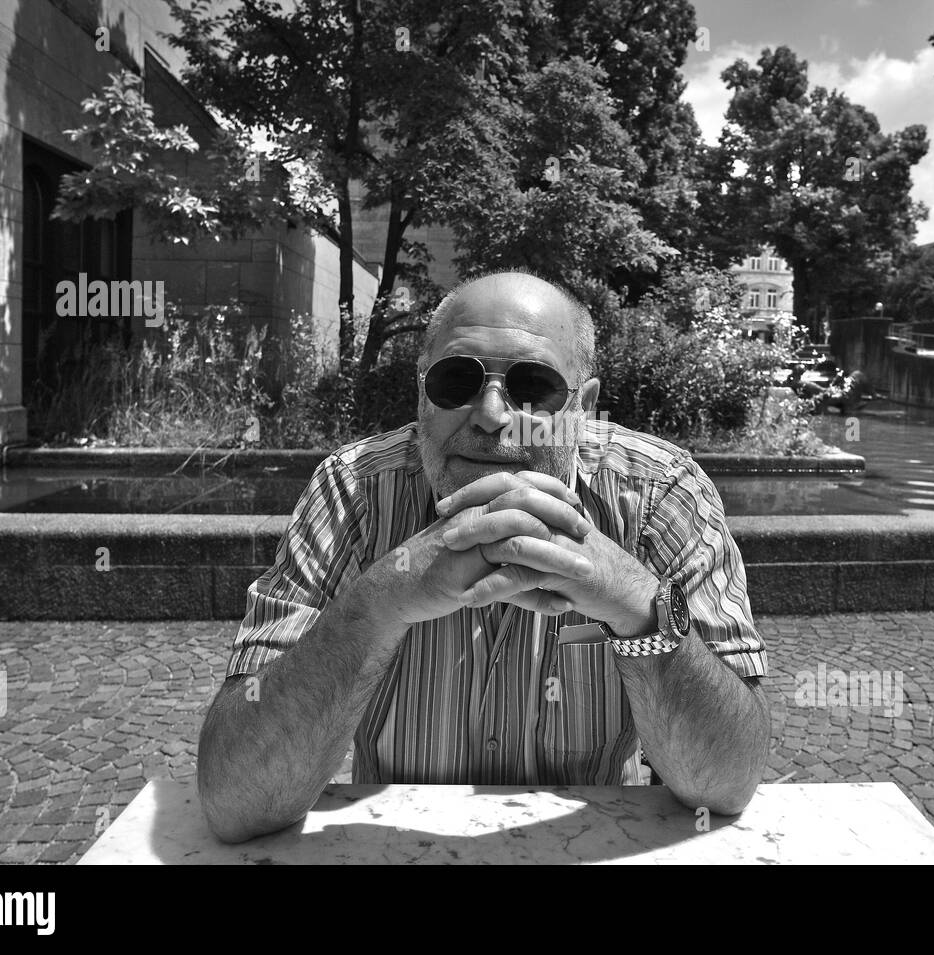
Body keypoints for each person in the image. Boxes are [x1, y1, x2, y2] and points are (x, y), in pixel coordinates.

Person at [197, 270, 772, 843]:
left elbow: (725, 784)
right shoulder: (353, 494)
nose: (491, 415)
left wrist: (636, 602)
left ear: (584, 407)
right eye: (456, 381)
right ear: (421, 393)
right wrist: (379, 601)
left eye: (533, 389)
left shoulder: (659, 494)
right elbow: (236, 803)